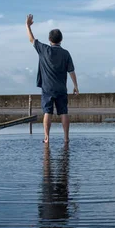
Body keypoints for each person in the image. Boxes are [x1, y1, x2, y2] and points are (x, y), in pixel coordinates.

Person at [26, 14, 79, 143]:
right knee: (64, 112)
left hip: (47, 88)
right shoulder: (65, 53)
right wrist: (76, 86)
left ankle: (47, 137)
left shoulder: (44, 50)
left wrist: (27, 26)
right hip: (61, 88)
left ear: (50, 39)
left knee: (47, 112)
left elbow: (31, 39)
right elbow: (71, 71)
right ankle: (66, 137)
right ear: (61, 39)